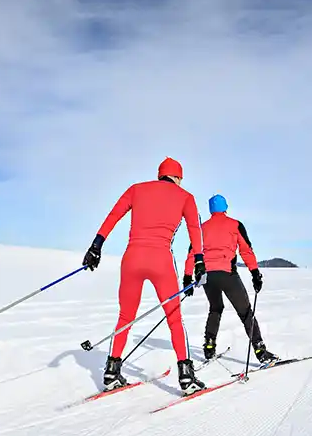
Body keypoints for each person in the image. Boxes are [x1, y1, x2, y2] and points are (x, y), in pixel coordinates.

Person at [82, 157, 208, 394]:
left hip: (132, 259)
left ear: (160, 174)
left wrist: (96, 246)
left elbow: (113, 215)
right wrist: (200, 261)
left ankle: (111, 371)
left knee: (125, 316)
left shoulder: (136, 189)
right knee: (173, 317)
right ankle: (186, 376)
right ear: (178, 177)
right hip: (160, 261)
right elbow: (194, 229)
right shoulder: (186, 197)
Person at [182, 194, 278, 365]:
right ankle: (260, 351)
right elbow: (246, 251)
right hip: (227, 274)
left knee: (216, 308)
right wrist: (255, 274)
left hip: (207, 276)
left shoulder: (202, 228)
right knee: (246, 312)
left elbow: (191, 254)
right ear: (225, 207)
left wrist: (187, 278)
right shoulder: (235, 225)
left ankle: (209, 346)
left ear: (211, 209)